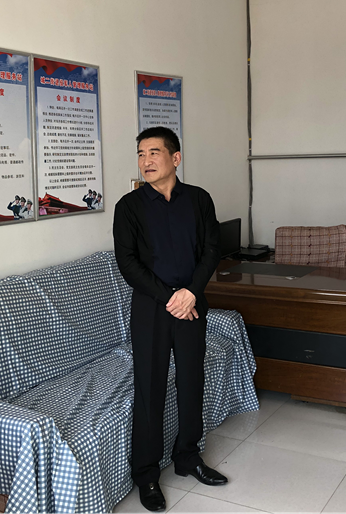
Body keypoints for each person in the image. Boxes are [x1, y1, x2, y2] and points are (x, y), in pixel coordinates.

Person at [113, 126, 226, 512]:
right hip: (151, 309)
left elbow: (211, 250)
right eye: (140, 154)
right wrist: (172, 298)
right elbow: (128, 263)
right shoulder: (128, 207)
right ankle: (146, 474)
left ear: (175, 158)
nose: (145, 161)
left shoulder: (199, 199)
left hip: (192, 304)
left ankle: (188, 457)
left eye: (154, 153)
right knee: (150, 387)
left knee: (192, 380)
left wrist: (191, 292)